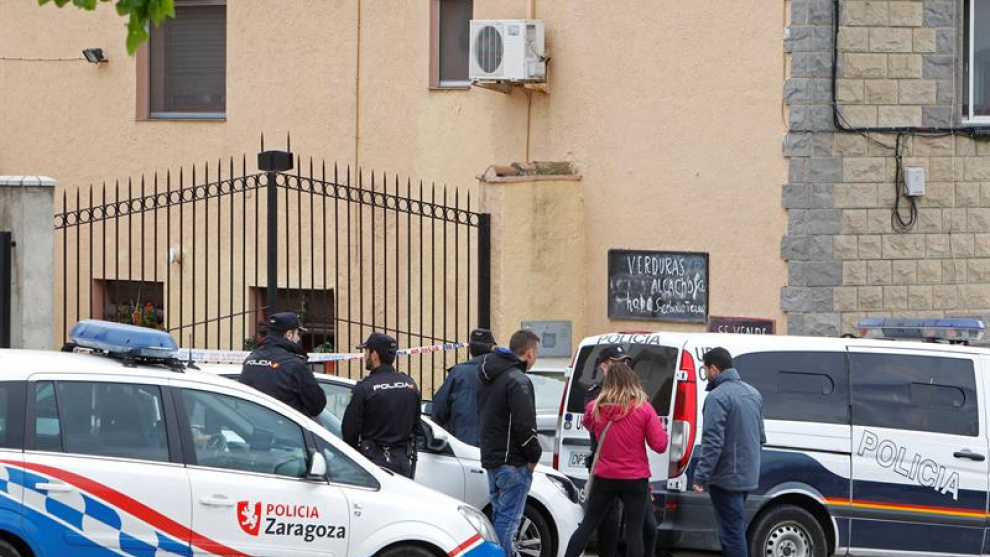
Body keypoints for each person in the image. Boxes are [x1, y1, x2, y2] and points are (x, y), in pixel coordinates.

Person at [564, 362, 668, 557]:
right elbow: (660, 445)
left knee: (588, 524)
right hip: (635, 478)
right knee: (634, 531)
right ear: (633, 381)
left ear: (608, 382)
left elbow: (588, 424)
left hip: (605, 476)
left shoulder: (595, 408)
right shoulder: (644, 409)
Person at [582, 346, 659, 557]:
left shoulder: (635, 401)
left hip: (620, 471)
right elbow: (659, 443)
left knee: (646, 526)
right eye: (617, 362)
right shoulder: (597, 397)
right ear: (604, 366)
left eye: (625, 362)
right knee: (610, 524)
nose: (622, 366)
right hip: (614, 467)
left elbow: (589, 422)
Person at [691, 347, 766, 557]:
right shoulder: (754, 393)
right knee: (733, 530)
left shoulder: (717, 397)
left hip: (726, 478)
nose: (706, 374)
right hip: (747, 475)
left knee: (731, 534)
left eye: (706, 369)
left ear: (714, 369)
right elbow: (760, 438)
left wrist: (701, 477)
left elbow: (712, 442)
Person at [478, 329, 543, 557]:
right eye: (536, 352)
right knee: (508, 522)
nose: (536, 357)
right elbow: (525, 425)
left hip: (493, 459)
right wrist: (534, 456)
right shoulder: (518, 380)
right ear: (530, 352)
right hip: (513, 462)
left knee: (499, 518)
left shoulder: (490, 377)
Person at [342, 332, 421, 478]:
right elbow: (417, 427)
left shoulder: (364, 388)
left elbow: (349, 433)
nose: (364, 355)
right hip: (402, 462)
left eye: (366, 351)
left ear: (374, 355)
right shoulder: (410, 384)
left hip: (373, 463)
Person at [240, 312, 327, 417]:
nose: (299, 339)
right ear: (289, 335)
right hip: (285, 425)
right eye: (298, 334)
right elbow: (317, 405)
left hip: (251, 425)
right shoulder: (295, 365)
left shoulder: (250, 360)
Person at [432, 328, 497, 445]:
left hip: (461, 445)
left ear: (470, 349)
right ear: (492, 347)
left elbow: (439, 409)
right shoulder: (503, 372)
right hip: (495, 446)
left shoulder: (458, 373)